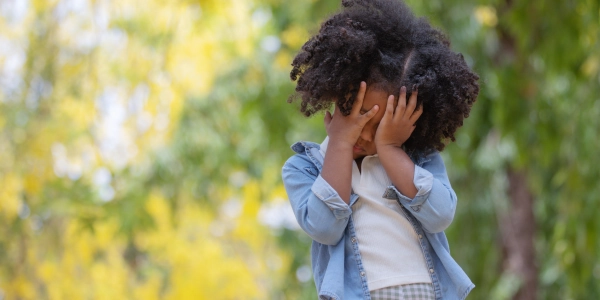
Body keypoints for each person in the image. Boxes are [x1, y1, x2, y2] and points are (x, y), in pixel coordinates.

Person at [281, 0, 479, 299]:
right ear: (338, 96)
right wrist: (340, 143)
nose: (367, 134)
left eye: (383, 126)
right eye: (361, 117)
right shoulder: (305, 167)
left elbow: (439, 216)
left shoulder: (419, 160)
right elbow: (324, 228)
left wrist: (390, 147)